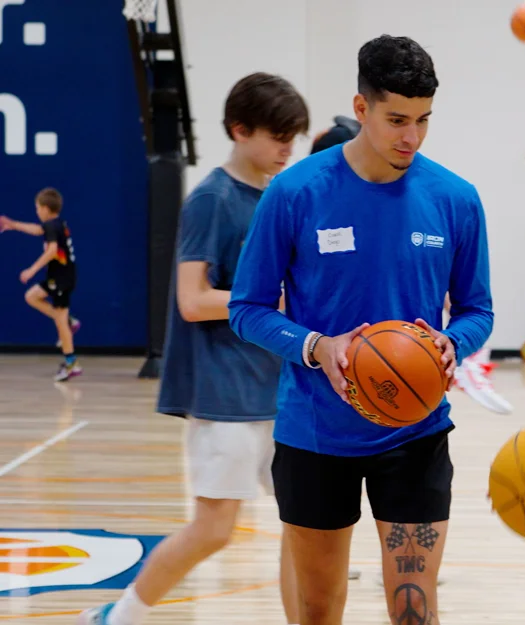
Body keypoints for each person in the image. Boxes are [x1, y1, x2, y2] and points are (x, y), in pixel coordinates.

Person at [227, 35, 493, 625]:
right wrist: (319, 347)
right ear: (362, 106)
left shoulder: (455, 199)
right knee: (320, 610)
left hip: (417, 431)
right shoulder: (295, 193)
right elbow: (246, 309)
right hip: (316, 435)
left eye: (424, 120)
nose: (412, 137)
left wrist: (454, 343)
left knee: (412, 611)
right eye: (397, 119)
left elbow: (478, 311)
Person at [76, 72, 310, 625]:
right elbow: (191, 299)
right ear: (239, 129)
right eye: (277, 135)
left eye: (292, 137)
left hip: (280, 390)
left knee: (306, 525)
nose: (286, 148)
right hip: (224, 392)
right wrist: (266, 300)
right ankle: (120, 616)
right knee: (214, 530)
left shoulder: (281, 196)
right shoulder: (211, 199)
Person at [0, 188, 81, 381]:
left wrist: (31, 270)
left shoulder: (52, 226)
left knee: (60, 321)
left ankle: (71, 364)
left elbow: (52, 251)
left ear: (45, 208)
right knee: (32, 296)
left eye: (37, 208)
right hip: (60, 277)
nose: (36, 211)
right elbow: (38, 230)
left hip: (61, 279)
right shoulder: (56, 223)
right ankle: (70, 322)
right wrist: (13, 224)